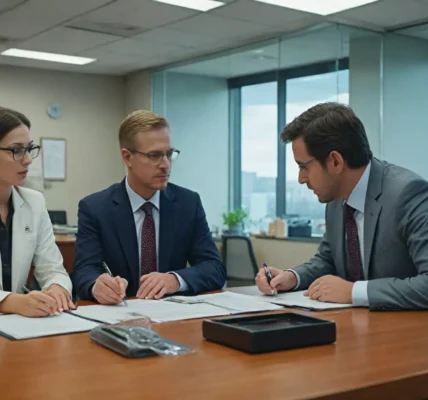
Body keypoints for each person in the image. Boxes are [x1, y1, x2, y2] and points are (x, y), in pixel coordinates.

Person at [256, 102, 428, 310]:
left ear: (335, 162)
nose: (301, 179)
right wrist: (292, 277)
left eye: (303, 167)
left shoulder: (408, 194)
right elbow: (328, 260)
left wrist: (353, 292)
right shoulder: (337, 199)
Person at [72, 110, 226, 303]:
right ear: (127, 157)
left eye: (169, 154)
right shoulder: (95, 208)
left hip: (172, 312)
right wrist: (97, 285)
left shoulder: (188, 203)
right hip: (120, 312)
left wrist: (175, 280)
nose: (165, 165)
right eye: (154, 156)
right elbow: (84, 270)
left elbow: (214, 267)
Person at [0, 107, 73, 317]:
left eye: (29, 149)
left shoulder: (34, 202)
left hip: (19, 328)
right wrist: (9, 302)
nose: (28, 160)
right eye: (16, 150)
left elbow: (53, 269)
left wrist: (57, 288)